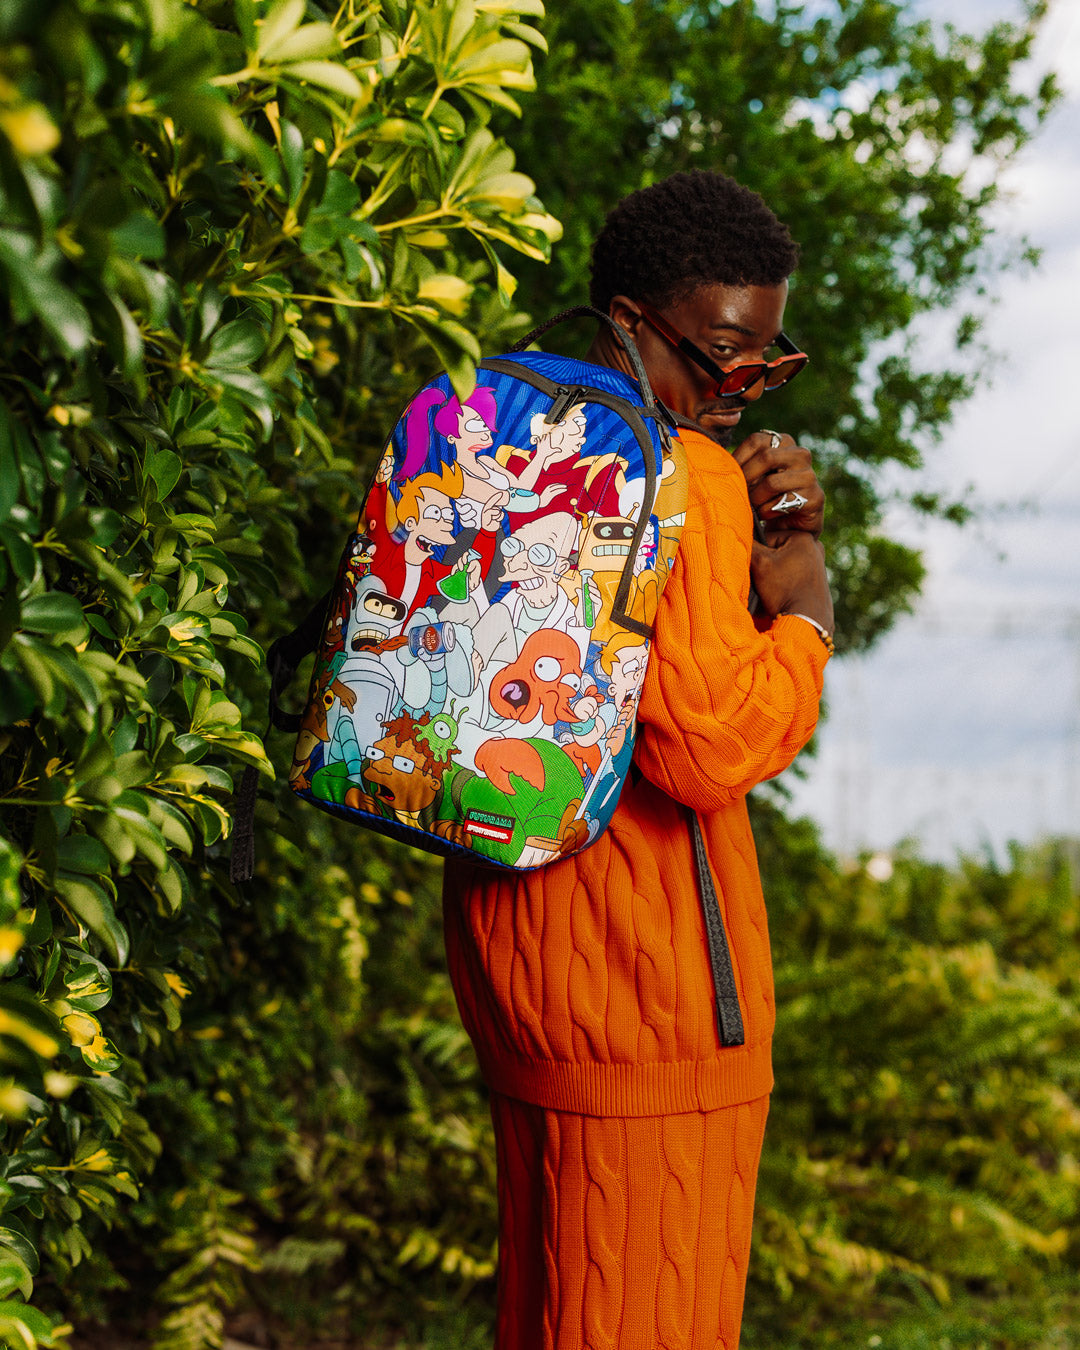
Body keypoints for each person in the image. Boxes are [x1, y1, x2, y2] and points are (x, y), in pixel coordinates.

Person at [442, 170, 834, 1350]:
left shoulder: (513, 452)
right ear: (630, 317)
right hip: (654, 998)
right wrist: (806, 605)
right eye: (721, 353)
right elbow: (710, 745)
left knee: (552, 1308)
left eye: (766, 362)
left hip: (524, 966)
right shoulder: (688, 480)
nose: (738, 390)